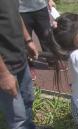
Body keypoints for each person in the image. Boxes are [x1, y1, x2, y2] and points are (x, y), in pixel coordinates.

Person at [0, 0, 38, 129]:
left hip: (20, 58)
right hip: (5, 67)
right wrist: (3, 75)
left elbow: (16, 14)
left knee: (28, 100)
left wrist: (28, 40)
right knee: (18, 118)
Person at [19, 0, 56, 80]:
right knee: (25, 41)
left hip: (40, 8)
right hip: (21, 11)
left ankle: (52, 61)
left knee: (47, 36)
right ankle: (29, 66)